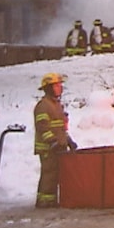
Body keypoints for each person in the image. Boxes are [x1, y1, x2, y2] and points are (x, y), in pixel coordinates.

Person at [33, 72, 77, 208]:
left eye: (60, 85)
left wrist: (68, 140)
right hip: (48, 148)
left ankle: (51, 200)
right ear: (48, 88)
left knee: (56, 175)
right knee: (49, 174)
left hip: (58, 146)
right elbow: (42, 127)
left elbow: (60, 128)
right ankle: (44, 201)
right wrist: (52, 141)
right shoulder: (43, 106)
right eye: (56, 85)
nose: (60, 88)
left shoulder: (57, 105)